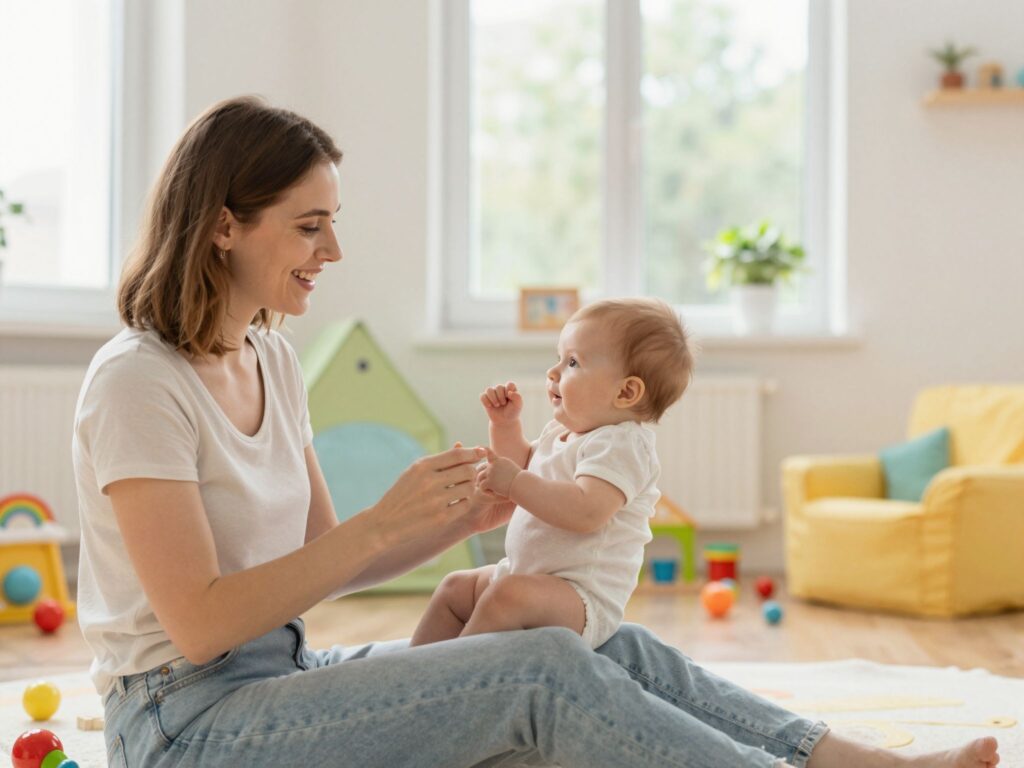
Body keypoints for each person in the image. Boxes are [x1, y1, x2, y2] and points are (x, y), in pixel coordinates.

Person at [73, 95, 999, 768]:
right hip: (184, 726)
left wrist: (453, 515)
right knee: (537, 674)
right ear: (224, 227)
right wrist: (385, 523)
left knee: (601, 641)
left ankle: (855, 761)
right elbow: (198, 627)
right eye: (310, 226)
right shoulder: (138, 384)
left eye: (334, 224)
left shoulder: (271, 357)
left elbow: (326, 559)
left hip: (282, 674)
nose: (334, 253)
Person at [410, 298, 690, 650]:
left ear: (626, 392)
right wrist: (506, 426)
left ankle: (453, 681)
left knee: (505, 597)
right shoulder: (560, 433)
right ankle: (413, 675)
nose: (554, 372)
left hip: (580, 598)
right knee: (455, 588)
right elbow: (524, 467)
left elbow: (585, 511)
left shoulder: (623, 444)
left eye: (572, 362)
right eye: (558, 358)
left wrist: (514, 480)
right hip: (524, 576)